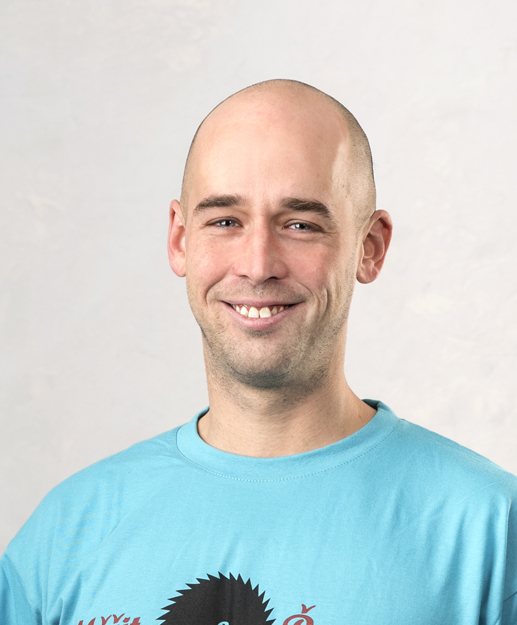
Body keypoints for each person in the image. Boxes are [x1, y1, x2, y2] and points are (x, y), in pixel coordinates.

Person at [1, 79, 516, 625]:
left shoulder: (489, 532)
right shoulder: (64, 534)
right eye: (225, 221)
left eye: (300, 224)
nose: (257, 264)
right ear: (180, 240)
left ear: (370, 248)